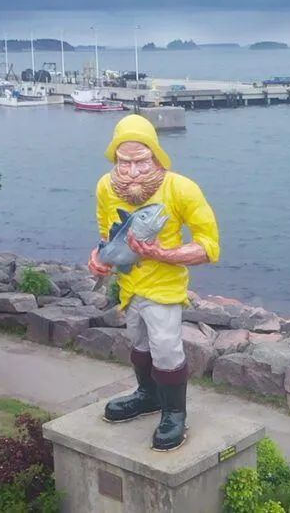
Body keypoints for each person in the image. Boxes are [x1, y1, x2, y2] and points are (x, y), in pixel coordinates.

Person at [88, 114, 220, 451]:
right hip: (128, 287)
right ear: (114, 159)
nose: (132, 172)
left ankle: (175, 412)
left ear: (157, 157)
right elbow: (106, 235)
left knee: (166, 347)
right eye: (124, 162)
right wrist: (98, 258)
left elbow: (209, 246)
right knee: (139, 344)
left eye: (142, 162)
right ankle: (148, 395)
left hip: (164, 288)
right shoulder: (105, 187)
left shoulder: (181, 188)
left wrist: (165, 254)